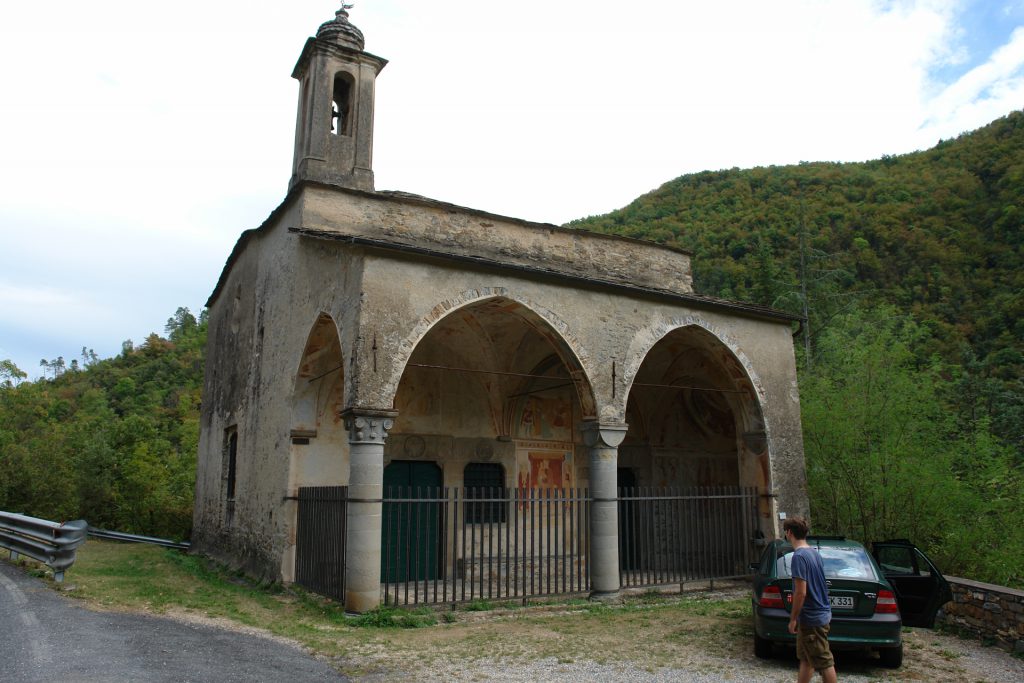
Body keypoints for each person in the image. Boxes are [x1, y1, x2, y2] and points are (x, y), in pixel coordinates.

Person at [784, 516, 838, 683]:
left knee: (824, 661)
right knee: (807, 658)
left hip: (812, 618)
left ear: (789, 533)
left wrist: (793, 619)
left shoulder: (799, 557)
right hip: (815, 615)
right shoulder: (813, 553)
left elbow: (801, 592)